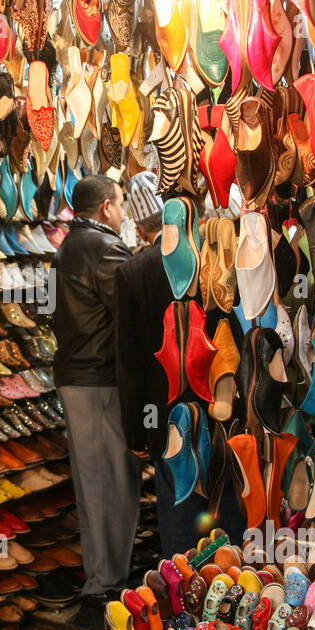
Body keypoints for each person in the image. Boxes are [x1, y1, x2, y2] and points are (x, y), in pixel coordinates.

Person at [52, 174, 140, 630]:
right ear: (106, 208)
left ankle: (102, 580)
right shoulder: (101, 247)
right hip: (97, 379)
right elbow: (129, 304)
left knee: (95, 482)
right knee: (111, 481)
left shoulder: (68, 247)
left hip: (78, 375)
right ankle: (105, 586)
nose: (122, 212)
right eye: (121, 204)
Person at [114, 173, 206, 557]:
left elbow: (131, 360)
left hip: (160, 408)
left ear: (139, 225)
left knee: (177, 502)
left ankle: (184, 590)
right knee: (216, 498)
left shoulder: (132, 272)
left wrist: (136, 431)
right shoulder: (207, 257)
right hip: (211, 400)